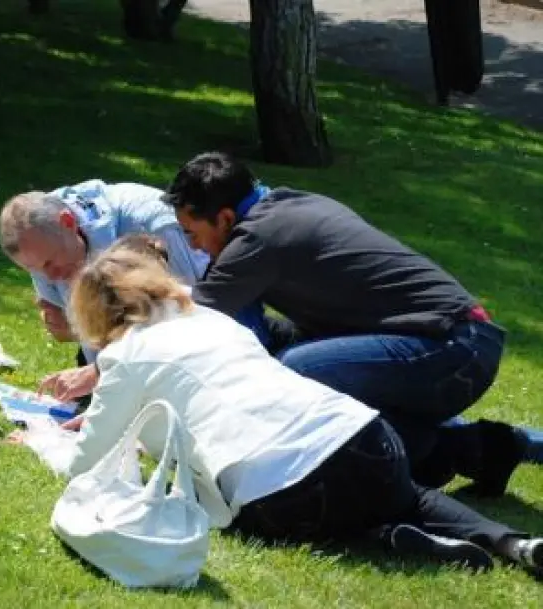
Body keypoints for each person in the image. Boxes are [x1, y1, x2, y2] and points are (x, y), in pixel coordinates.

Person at [11, 247, 543, 573]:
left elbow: (87, 466)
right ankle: (513, 542)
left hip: (286, 487)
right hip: (364, 436)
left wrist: (41, 438)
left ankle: (383, 537)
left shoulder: (124, 357)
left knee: (251, 519)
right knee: (408, 495)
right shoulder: (214, 322)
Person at [159, 150, 542, 495]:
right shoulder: (290, 205)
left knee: (296, 371)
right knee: (293, 356)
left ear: (225, 218)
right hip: (464, 343)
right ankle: (484, 448)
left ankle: (446, 453)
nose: (193, 247)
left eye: (192, 233)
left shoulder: (257, 239)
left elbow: (193, 319)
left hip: (452, 348)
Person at [0, 180, 209, 405]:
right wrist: (71, 327)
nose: (50, 277)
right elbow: (87, 335)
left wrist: (101, 372)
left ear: (68, 223)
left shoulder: (153, 225)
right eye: (35, 270)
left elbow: (191, 318)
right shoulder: (43, 246)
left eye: (50, 263)